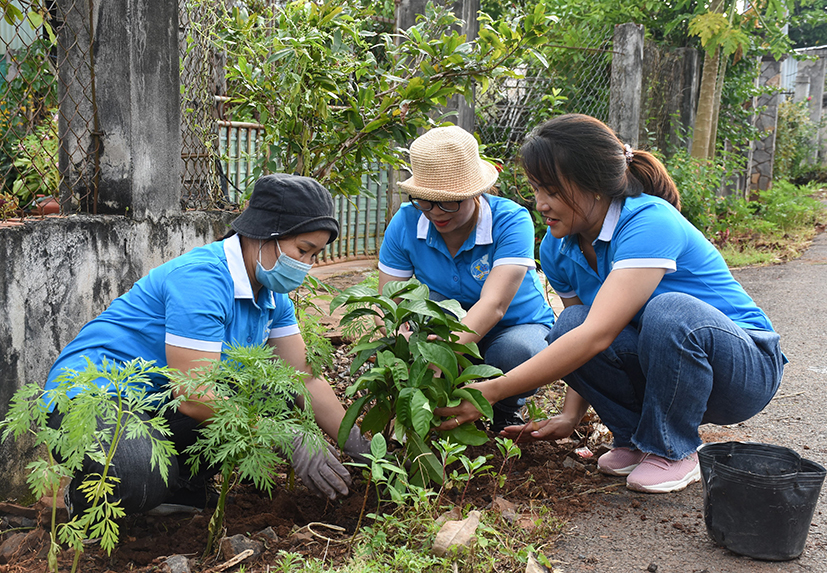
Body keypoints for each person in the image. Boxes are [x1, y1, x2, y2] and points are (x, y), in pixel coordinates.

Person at [434, 114, 785, 493]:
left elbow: (598, 335)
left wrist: (493, 390)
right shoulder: (557, 246)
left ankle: (673, 449)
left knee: (668, 310)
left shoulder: (649, 220)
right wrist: (570, 415)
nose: (540, 204)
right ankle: (637, 439)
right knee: (568, 324)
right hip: (668, 371)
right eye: (536, 189)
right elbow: (582, 333)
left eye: (551, 191)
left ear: (594, 186)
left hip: (743, 370)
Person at [45, 173, 370, 516]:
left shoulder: (272, 294)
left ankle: (181, 488)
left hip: (155, 403)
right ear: (263, 234)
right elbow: (195, 395)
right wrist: (284, 435)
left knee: (278, 392)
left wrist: (364, 446)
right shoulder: (202, 279)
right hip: (89, 400)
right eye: (303, 251)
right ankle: (84, 503)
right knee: (139, 474)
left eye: (315, 255)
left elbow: (305, 378)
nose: (307, 265)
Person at [379, 126, 556, 432]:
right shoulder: (406, 222)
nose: (435, 212)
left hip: (515, 325)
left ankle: (505, 408)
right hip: (449, 325)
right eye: (425, 200)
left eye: (448, 201)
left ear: (475, 193)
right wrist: (403, 341)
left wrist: (437, 356)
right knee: (411, 330)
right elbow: (390, 304)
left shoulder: (511, 220)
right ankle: (437, 412)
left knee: (515, 352)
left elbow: (495, 304)